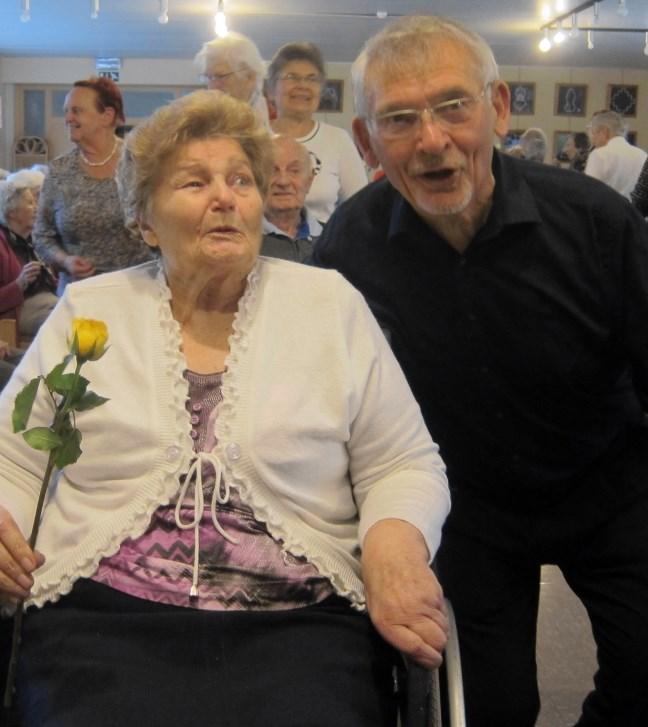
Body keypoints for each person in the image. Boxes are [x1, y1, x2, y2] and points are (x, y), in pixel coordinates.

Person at [0, 90, 450, 727]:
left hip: (300, 620)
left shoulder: (328, 306)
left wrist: (394, 551)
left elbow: (402, 463)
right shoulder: (91, 310)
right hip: (106, 614)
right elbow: (15, 459)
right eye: (194, 182)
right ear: (145, 220)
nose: (225, 196)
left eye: (241, 179)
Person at [313, 15, 648, 727]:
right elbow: (333, 400)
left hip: (610, 486)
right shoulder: (352, 246)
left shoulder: (594, 220)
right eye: (400, 119)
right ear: (369, 142)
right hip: (468, 509)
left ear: (496, 109)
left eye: (453, 106)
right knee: (491, 705)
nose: (433, 140)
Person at [33, 76, 151, 293]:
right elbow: (42, 236)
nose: (67, 117)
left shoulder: (140, 164)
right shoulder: (59, 171)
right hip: (78, 294)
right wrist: (65, 260)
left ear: (107, 116)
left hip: (136, 290)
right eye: (66, 110)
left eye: (76, 110)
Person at [266, 41, 367, 223]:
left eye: (312, 79)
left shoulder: (338, 140)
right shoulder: (253, 139)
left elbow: (361, 207)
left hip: (322, 247)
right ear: (271, 90)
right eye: (292, 77)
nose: (302, 85)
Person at [0, 178, 57, 340]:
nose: (37, 208)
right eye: (30, 203)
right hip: (17, 310)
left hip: (47, 301)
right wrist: (19, 283)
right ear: (12, 211)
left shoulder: (34, 240)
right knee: (63, 319)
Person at [261, 134, 320, 262]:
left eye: (294, 170)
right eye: (272, 170)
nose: (283, 181)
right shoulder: (243, 240)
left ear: (309, 182)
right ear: (257, 179)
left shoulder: (331, 238)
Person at [194, 31, 270, 128]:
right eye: (209, 77)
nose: (212, 86)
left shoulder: (272, 131)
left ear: (250, 77)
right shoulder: (202, 123)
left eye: (220, 76)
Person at [585, 109, 647, 199]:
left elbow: (590, 191)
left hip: (606, 211)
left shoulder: (600, 154)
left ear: (604, 132)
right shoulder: (643, 155)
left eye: (593, 133)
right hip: (636, 212)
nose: (592, 140)